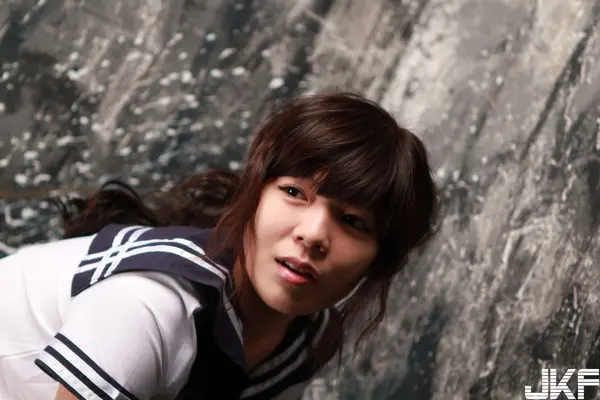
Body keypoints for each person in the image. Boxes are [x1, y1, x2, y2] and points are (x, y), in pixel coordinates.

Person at [0, 92, 439, 400]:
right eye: (294, 193)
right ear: (255, 192)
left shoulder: (308, 339)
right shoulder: (152, 304)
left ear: (380, 259)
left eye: (353, 221)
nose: (312, 234)